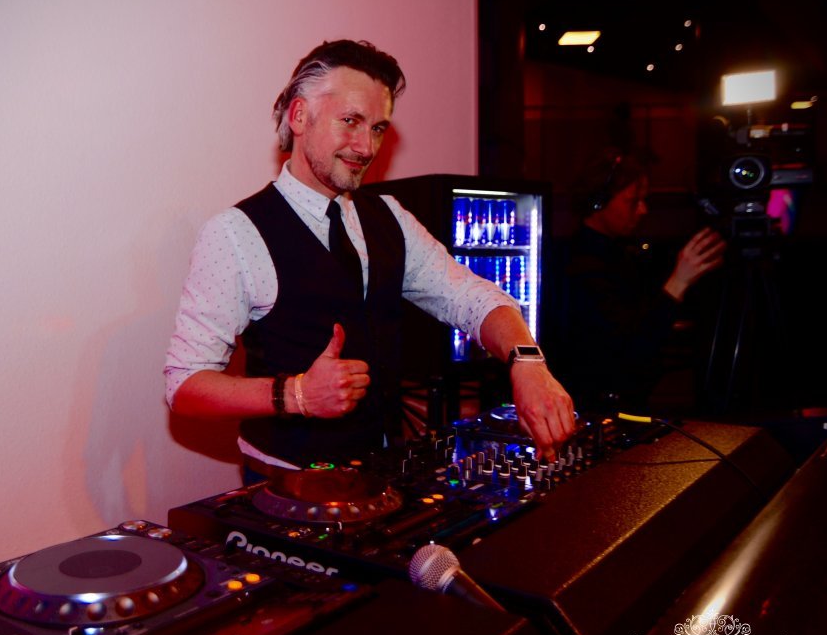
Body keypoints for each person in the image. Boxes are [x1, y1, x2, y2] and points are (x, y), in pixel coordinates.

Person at [164, 39, 574, 479]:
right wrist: (296, 394)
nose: (366, 146)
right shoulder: (235, 232)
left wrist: (527, 362)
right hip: (286, 483)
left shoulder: (389, 217)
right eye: (350, 121)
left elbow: (470, 297)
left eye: (378, 128)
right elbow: (185, 385)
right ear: (299, 116)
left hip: (381, 471)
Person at [546, 149, 727, 414]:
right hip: (594, 406)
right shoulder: (580, 267)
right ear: (598, 202)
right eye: (632, 201)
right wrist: (677, 283)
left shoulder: (619, 254)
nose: (643, 210)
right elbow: (627, 349)